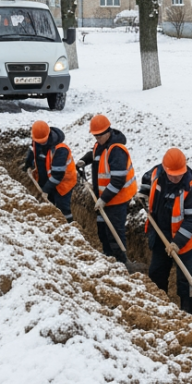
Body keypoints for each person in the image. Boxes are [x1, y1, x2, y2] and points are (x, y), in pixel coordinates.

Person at [137, 147, 192, 314]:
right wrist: (143, 192)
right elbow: (146, 178)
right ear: (165, 169)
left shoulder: (191, 188)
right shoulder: (157, 173)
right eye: (172, 174)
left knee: (185, 280)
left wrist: (177, 243)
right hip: (160, 234)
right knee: (156, 273)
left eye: (179, 174)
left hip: (184, 240)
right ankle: (159, 309)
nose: (175, 177)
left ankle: (188, 314)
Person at [77, 114, 136, 268]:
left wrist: (103, 200)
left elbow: (117, 181)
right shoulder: (100, 145)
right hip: (103, 198)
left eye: (99, 135)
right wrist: (84, 160)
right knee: (103, 231)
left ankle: (121, 263)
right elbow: (94, 154)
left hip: (116, 199)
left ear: (107, 132)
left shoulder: (117, 151)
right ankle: (108, 257)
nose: (97, 139)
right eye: (95, 136)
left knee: (114, 232)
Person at [22, 120, 77, 222]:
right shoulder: (36, 142)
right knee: (48, 205)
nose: (41, 143)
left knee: (62, 207)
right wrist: (27, 165)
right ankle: (51, 222)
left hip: (64, 183)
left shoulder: (60, 150)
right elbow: (32, 152)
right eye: (38, 141)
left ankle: (69, 227)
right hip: (47, 180)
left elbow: (57, 175)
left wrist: (45, 190)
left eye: (43, 140)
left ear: (49, 134)